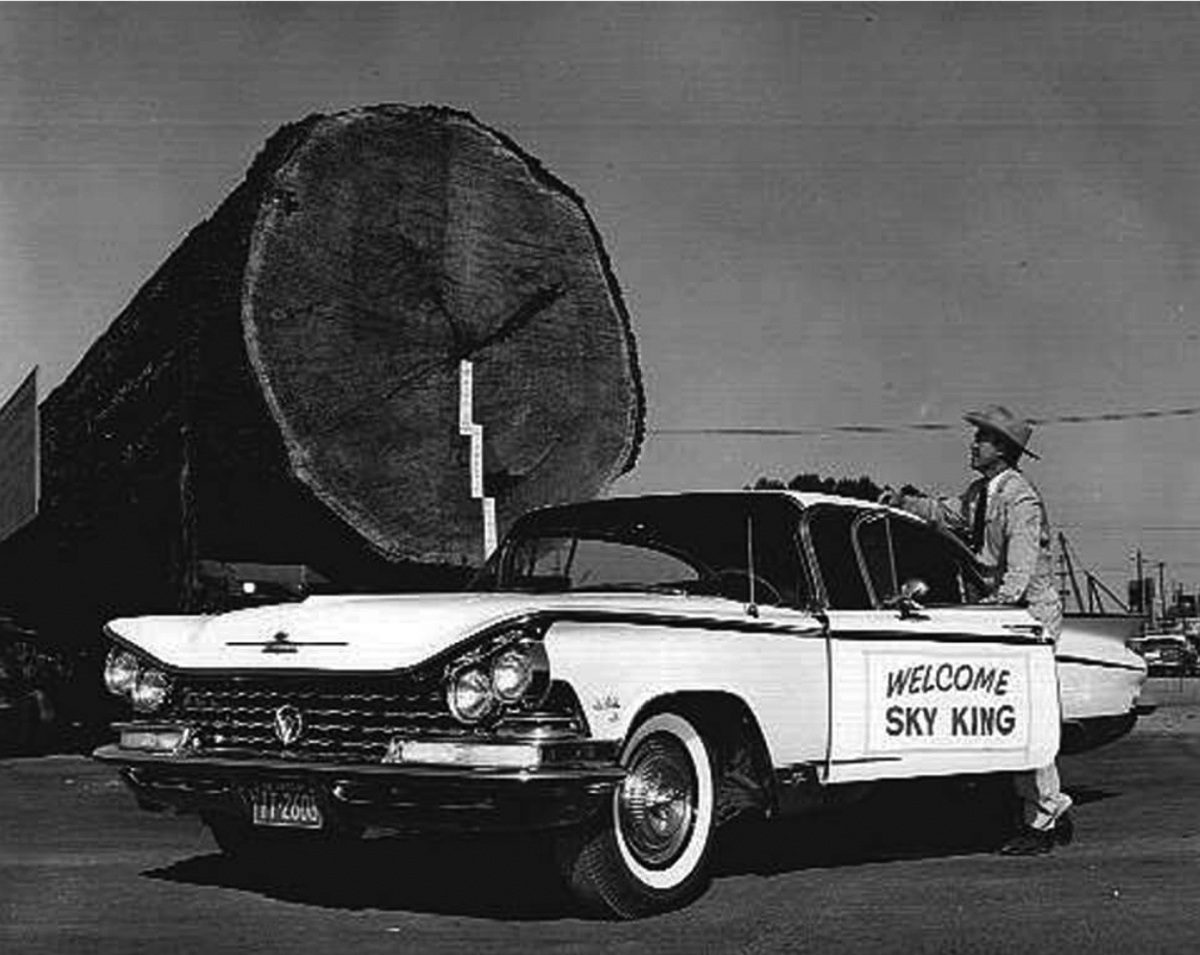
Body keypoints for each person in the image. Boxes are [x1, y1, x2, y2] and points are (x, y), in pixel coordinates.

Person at [885, 404, 1073, 855]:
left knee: (1024, 721)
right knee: (1005, 719)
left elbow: (1021, 565)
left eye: (982, 438)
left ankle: (1043, 821)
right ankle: (1047, 810)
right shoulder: (981, 493)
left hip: (1027, 616)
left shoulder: (1020, 499)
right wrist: (903, 503)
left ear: (1002, 449)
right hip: (1004, 613)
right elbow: (946, 511)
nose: (973, 444)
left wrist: (998, 608)